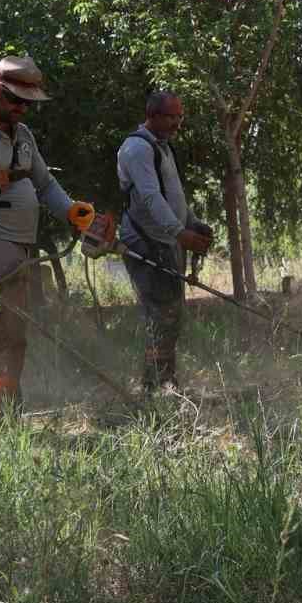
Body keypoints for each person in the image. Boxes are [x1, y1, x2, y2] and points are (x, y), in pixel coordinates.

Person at [0, 56, 95, 415]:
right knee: (5, 335)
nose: (22, 108)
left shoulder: (22, 135)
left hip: (22, 247)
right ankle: (4, 414)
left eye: (27, 102)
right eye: (15, 99)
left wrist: (70, 209)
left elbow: (44, 182)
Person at [118, 90, 213, 393]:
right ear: (153, 115)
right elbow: (150, 197)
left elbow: (173, 196)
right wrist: (180, 233)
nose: (177, 123)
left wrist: (192, 223)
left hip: (164, 241)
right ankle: (154, 387)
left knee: (170, 315)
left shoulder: (163, 148)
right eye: (171, 116)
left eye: (180, 116)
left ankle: (165, 381)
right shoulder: (137, 148)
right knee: (159, 315)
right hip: (146, 243)